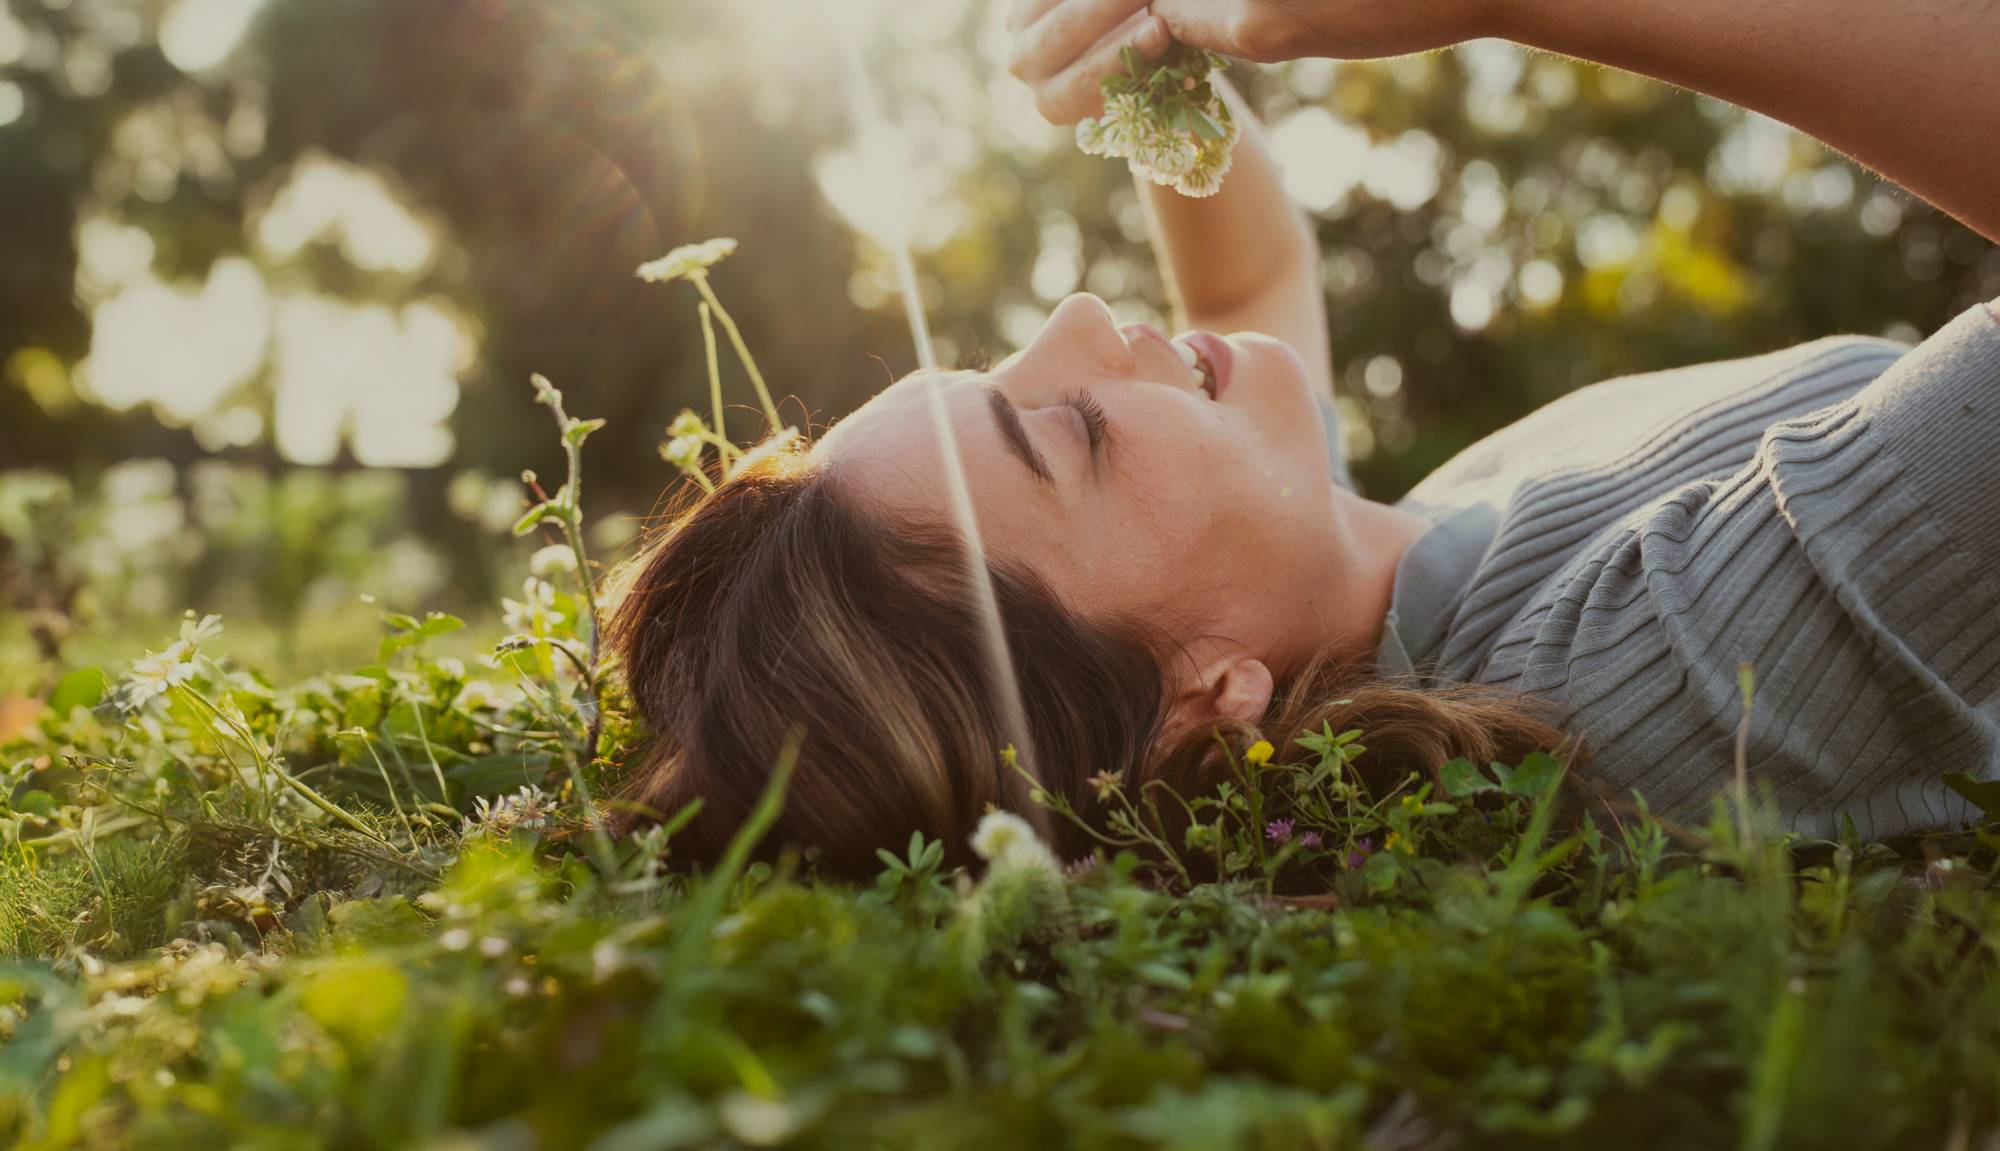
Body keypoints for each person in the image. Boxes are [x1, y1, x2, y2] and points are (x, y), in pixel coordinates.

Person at [609, 0, 2000, 873]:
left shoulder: (1335, 585)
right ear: (1208, 700)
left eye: (997, 364)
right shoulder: (1619, 687)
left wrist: (1151, 52)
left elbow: (1240, 289)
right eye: (1074, 432)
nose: (1090, 312)